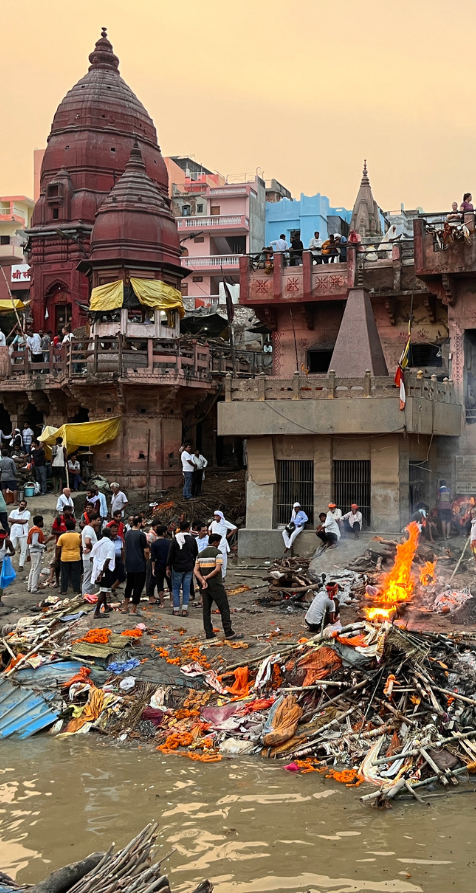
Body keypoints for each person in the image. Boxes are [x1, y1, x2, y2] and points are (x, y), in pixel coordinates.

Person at [194, 532, 237, 640]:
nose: (219, 544)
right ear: (215, 542)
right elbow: (217, 569)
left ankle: (209, 632)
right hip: (215, 583)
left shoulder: (201, 554)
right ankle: (228, 632)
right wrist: (207, 577)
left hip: (204, 585)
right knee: (224, 608)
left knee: (206, 609)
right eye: (218, 542)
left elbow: (195, 570)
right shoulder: (217, 553)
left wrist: (202, 579)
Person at [166, 520, 198, 617]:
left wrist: (168, 567)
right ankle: (184, 609)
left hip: (177, 567)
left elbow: (170, 555)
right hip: (188, 567)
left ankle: (176, 609)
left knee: (175, 588)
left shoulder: (175, 539)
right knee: (186, 588)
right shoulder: (192, 540)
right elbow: (196, 553)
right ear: (188, 528)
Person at [123, 515, 149, 614]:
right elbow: (146, 550)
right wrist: (147, 560)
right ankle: (133, 608)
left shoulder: (127, 534)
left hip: (129, 563)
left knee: (129, 585)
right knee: (138, 586)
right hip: (139, 563)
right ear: (138, 524)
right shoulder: (141, 535)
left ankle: (125, 606)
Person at [90, 528, 115, 618]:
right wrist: (101, 572)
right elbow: (108, 559)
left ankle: (105, 606)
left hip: (98, 568)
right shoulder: (110, 545)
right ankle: (97, 612)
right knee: (103, 591)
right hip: (105, 570)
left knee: (104, 589)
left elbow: (91, 557)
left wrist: (97, 564)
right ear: (110, 534)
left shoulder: (97, 543)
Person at [26, 515, 53, 594]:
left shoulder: (32, 529)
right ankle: (33, 588)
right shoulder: (36, 530)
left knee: (33, 569)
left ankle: (30, 586)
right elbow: (34, 543)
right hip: (36, 551)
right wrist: (43, 546)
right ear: (39, 522)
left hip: (33, 551)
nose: (42, 523)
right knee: (36, 570)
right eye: (42, 521)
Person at [56, 518, 82, 595]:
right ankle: (76, 590)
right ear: (74, 526)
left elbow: (58, 547)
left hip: (65, 558)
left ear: (66, 527)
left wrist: (57, 558)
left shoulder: (62, 536)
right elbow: (81, 546)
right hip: (76, 557)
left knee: (64, 574)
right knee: (76, 574)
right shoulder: (79, 536)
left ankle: (64, 590)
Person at [208, 510, 237, 579]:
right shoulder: (213, 523)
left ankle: (222, 575)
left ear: (221, 516)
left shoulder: (225, 523)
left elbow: (234, 528)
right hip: (214, 542)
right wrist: (211, 536)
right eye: (215, 516)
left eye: (217, 516)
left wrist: (227, 536)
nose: (216, 517)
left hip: (222, 542)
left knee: (222, 558)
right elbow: (209, 529)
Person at [150, 525, 172, 608]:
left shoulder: (154, 544)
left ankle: (162, 603)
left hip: (158, 566)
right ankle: (172, 602)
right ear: (164, 533)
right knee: (171, 584)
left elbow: (153, 558)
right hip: (168, 566)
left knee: (160, 585)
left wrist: (153, 569)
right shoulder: (169, 542)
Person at [81, 513, 101, 596]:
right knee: (88, 579)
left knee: (89, 578)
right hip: (89, 558)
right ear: (93, 521)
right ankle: (85, 597)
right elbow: (87, 541)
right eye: (98, 520)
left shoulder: (87, 528)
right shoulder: (89, 529)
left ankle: (87, 596)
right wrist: (91, 548)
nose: (99, 522)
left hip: (89, 557)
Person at [8, 499, 30, 571]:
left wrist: (14, 521)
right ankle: (9, 564)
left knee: (23, 550)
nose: (22, 506)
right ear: (19, 504)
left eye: (24, 505)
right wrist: (19, 521)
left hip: (23, 533)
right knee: (10, 548)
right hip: (14, 533)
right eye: (21, 504)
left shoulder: (27, 513)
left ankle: (21, 565)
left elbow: (24, 521)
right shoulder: (14, 511)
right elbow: (9, 519)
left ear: (26, 506)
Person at [145, 519, 160, 606]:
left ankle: (152, 595)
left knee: (153, 578)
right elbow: (147, 548)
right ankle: (150, 597)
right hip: (151, 558)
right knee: (150, 578)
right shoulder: (150, 535)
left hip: (155, 558)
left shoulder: (155, 535)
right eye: (157, 527)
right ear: (154, 527)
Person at [109, 522, 126, 593]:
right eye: (113, 531)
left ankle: (113, 586)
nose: (114, 533)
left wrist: (123, 560)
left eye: (116, 531)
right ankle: (109, 593)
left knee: (123, 576)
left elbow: (122, 550)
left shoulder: (120, 539)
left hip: (118, 559)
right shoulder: (108, 539)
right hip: (110, 560)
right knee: (110, 577)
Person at [0, 531, 15, 607]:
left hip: (2, 564)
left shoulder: (7, 542)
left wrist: (8, 554)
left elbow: (13, 551)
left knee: (1, 582)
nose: (1, 541)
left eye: (2, 539)